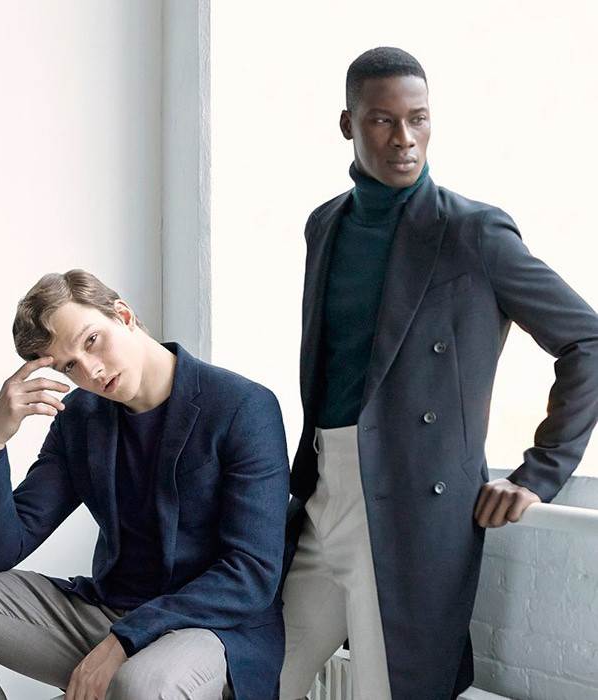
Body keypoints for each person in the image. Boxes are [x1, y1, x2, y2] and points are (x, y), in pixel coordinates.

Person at [279, 47, 598, 700]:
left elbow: (587, 340)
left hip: (411, 505)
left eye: (418, 119)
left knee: (388, 689)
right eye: (382, 121)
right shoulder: (326, 225)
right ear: (348, 124)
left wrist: (540, 472)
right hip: (321, 493)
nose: (404, 138)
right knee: (260, 673)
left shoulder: (472, 232)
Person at [0, 269, 290, 700]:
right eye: (70, 366)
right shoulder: (79, 418)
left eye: (91, 340)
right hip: (107, 614)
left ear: (123, 315)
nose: (91, 370)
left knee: (141, 684)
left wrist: (126, 639)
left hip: (210, 626)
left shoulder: (242, 407)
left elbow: (251, 573)